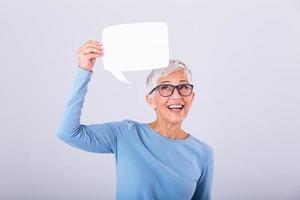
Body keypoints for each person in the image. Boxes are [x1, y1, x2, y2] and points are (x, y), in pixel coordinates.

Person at [56, 40, 214, 200]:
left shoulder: (203, 153)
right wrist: (84, 71)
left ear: (192, 97)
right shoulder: (126, 134)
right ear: (150, 100)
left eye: (183, 87)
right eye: (165, 87)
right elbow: (68, 133)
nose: (176, 96)